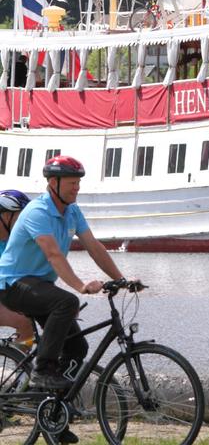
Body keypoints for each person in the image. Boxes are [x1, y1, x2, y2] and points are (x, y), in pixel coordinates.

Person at [0, 156, 129, 399]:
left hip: (39, 285)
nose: (77, 188)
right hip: (12, 283)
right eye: (72, 183)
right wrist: (80, 286)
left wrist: (122, 279)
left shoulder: (73, 212)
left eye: (78, 183)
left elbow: (94, 247)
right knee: (66, 302)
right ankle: (42, 370)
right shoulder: (37, 212)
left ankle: (51, 406)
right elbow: (53, 255)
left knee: (77, 346)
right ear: (53, 182)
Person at [0, 190, 34, 345]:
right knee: (24, 321)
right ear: (7, 216)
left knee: (28, 320)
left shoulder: (12, 241)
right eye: (21, 217)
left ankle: (22, 365)